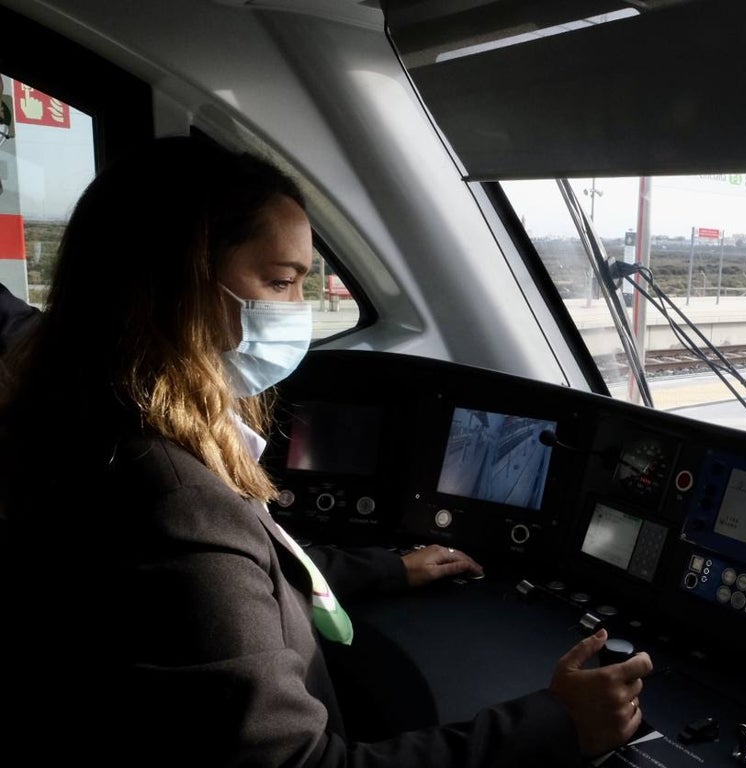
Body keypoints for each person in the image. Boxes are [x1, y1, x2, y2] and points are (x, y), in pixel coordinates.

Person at [0, 135, 652, 765]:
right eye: (282, 281)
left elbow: (239, 581)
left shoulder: (84, 421)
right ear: (179, 284)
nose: (297, 310)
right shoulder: (172, 500)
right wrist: (553, 725)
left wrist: (391, 569)